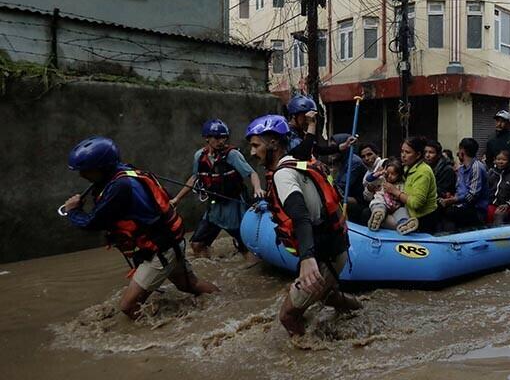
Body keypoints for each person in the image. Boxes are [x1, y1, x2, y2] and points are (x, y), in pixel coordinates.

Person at [61, 136, 218, 319]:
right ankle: (225, 302)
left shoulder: (119, 187)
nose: (82, 175)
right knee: (189, 285)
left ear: (102, 167)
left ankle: (162, 339)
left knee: (128, 306)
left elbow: (92, 223)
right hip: (168, 243)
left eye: (86, 171)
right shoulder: (126, 172)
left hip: (161, 250)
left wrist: (73, 211)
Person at [245, 115, 361, 336]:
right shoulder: (294, 160)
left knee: (287, 316)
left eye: (255, 145)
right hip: (335, 247)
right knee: (330, 296)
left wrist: (307, 258)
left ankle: (309, 358)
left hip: (323, 254)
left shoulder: (283, 175)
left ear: (273, 143)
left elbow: (300, 216)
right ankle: (360, 311)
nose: (251, 152)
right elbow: (308, 145)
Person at [170, 119, 264, 259]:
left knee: (247, 249)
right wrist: (177, 199)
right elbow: (194, 178)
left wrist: (257, 188)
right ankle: (213, 265)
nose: (221, 141)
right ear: (207, 138)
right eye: (217, 137)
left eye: (224, 137)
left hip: (234, 209)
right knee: (197, 244)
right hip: (214, 210)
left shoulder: (232, 155)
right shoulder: (199, 156)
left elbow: (252, 173)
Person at [382, 136, 439, 233]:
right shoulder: (407, 167)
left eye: (407, 152)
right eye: (402, 151)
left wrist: (395, 191)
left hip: (422, 219)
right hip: (407, 211)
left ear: (418, 155)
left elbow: (416, 203)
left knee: (379, 219)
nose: (403, 155)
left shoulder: (423, 172)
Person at [285, 95, 355, 161]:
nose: (308, 120)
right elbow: (304, 153)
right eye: (305, 117)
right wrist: (312, 125)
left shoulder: (301, 132)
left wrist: (343, 146)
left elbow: (318, 149)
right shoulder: (287, 132)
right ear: (294, 116)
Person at [439, 138, 489, 230]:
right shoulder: (461, 169)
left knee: (448, 212)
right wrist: (450, 197)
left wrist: (454, 200)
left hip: (476, 209)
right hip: (462, 205)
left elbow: (472, 195)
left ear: (462, 152)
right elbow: (459, 190)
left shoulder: (477, 167)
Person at [366, 159, 415, 233]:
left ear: (399, 174)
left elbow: (404, 196)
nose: (389, 176)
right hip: (382, 202)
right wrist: (379, 173)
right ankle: (377, 216)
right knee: (378, 204)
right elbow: (369, 179)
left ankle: (404, 225)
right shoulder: (382, 179)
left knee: (402, 212)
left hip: (396, 207)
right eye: (387, 173)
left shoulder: (402, 184)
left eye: (393, 174)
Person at [486, 150, 510, 226]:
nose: (500, 162)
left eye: (504, 160)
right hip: (492, 204)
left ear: (508, 161)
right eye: (498, 159)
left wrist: (508, 204)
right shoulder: (491, 173)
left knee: (498, 214)